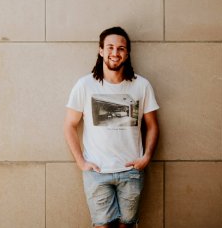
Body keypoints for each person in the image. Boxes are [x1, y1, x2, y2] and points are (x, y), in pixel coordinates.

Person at [64, 27, 159, 228]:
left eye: (121, 48)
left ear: (127, 53)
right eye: (110, 47)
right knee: (102, 226)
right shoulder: (85, 85)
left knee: (127, 225)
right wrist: (81, 162)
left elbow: (152, 126)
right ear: (101, 51)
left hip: (131, 171)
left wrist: (147, 157)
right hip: (97, 171)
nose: (115, 53)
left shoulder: (141, 85)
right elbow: (70, 126)